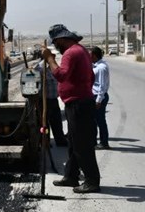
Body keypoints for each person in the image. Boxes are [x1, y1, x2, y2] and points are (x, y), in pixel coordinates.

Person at [41, 24, 101, 193]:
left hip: (78, 104)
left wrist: (50, 59)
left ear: (61, 39)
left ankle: (92, 181)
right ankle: (71, 176)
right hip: (80, 102)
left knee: (82, 145)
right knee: (74, 143)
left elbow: (60, 75)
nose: (56, 47)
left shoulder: (71, 53)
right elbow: (91, 76)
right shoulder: (81, 50)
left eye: (56, 42)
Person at [34, 60, 68, 146]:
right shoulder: (40, 69)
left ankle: (60, 140)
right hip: (44, 101)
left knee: (57, 121)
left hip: (53, 100)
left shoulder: (51, 68)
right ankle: (46, 141)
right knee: (45, 124)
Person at [91, 47, 111, 149]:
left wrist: (98, 100)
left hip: (99, 97)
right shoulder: (95, 66)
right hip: (94, 96)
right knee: (94, 120)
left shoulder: (101, 67)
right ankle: (94, 141)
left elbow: (102, 86)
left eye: (90, 55)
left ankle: (104, 142)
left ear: (94, 55)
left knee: (100, 121)